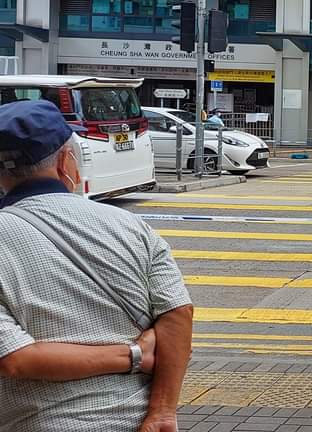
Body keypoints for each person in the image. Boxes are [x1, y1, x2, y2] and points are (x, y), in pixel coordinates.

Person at [0, 100, 194, 431]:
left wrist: (132, 356)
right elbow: (178, 313)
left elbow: (15, 358)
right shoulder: (132, 225)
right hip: (140, 423)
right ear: (66, 161)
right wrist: (161, 409)